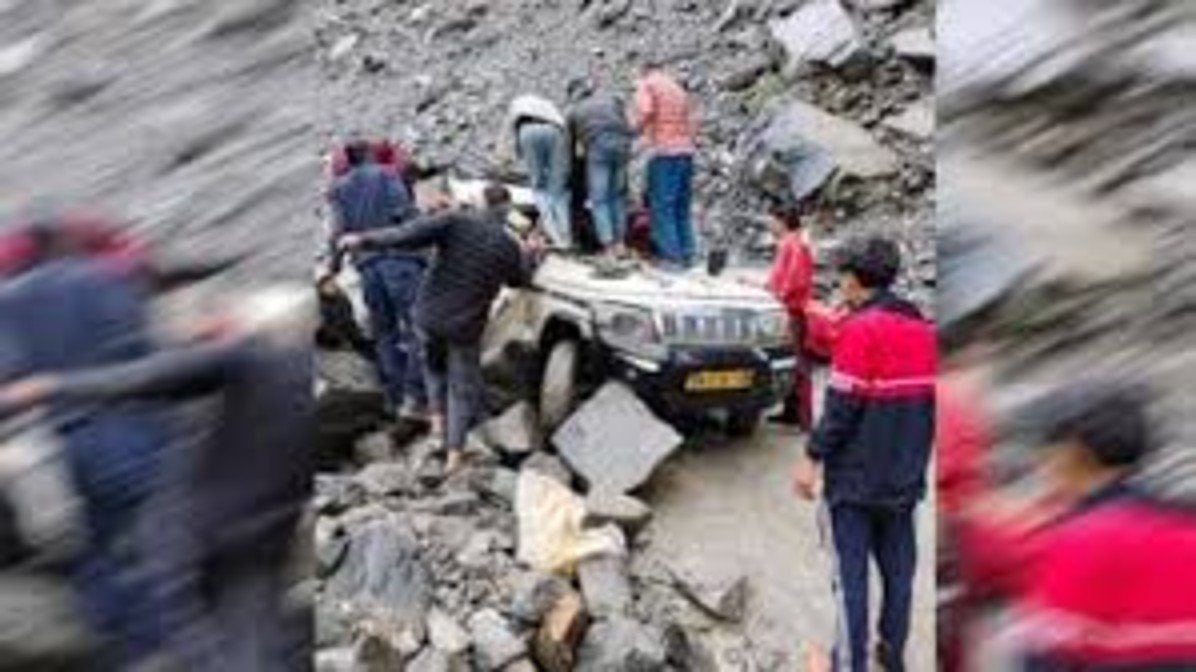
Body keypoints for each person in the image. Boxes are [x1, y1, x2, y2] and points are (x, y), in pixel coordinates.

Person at [0, 285, 315, 672]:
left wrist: (51, 386)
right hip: (268, 536)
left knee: (191, 635)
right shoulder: (304, 376)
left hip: (197, 532)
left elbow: (145, 378)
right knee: (253, 639)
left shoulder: (253, 359)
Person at [0, 227, 170, 669]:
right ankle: (163, 647)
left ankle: (130, 652)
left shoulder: (6, 301)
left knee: (89, 551)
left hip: (59, 446)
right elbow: (147, 359)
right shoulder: (108, 283)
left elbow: (8, 381)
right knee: (150, 544)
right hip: (131, 431)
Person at [792, 236, 935, 672]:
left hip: (855, 484)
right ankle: (891, 656)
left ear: (854, 280)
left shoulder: (860, 329)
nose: (840, 285)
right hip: (905, 481)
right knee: (898, 576)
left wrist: (811, 457)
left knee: (850, 582)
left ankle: (848, 664)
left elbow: (841, 408)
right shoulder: (925, 332)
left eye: (843, 277)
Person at [341, 184, 541, 473]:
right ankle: (453, 458)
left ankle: (437, 428)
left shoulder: (455, 221)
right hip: (466, 326)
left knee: (433, 368)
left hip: (429, 316)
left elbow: (405, 235)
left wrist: (362, 239)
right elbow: (518, 280)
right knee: (460, 390)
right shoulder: (508, 247)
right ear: (506, 212)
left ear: (480, 204)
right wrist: (531, 254)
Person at [326, 138, 428, 421]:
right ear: (369, 155)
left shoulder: (338, 188)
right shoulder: (387, 175)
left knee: (384, 332)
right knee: (417, 328)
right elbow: (405, 213)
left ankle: (394, 399)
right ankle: (415, 397)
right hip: (400, 260)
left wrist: (333, 265)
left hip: (367, 268)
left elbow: (336, 232)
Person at [631, 60, 697, 267]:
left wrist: (633, 131)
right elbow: (693, 121)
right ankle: (688, 254)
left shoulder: (647, 84)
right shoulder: (677, 88)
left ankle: (671, 258)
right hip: (686, 152)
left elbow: (646, 111)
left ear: (644, 71)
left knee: (662, 207)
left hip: (664, 152)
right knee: (681, 206)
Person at [566, 77, 633, 256]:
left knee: (599, 199)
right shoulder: (611, 99)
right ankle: (620, 243)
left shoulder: (574, 110)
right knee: (617, 197)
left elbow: (570, 144)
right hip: (622, 148)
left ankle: (608, 245)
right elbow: (627, 123)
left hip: (598, 150)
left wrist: (571, 170)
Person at [764, 203, 816, 429]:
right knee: (790, 360)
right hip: (787, 308)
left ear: (782, 221)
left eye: (772, 220)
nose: (769, 224)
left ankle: (803, 416)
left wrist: (778, 296)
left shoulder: (793, 244)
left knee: (798, 363)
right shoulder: (791, 243)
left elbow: (796, 280)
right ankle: (792, 411)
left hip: (791, 310)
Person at [508, 95, 572, 250]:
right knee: (558, 189)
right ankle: (566, 236)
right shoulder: (548, 107)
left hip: (527, 132)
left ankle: (554, 236)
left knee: (539, 188)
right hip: (554, 131)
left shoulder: (518, 105)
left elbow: (512, 133)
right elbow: (563, 125)